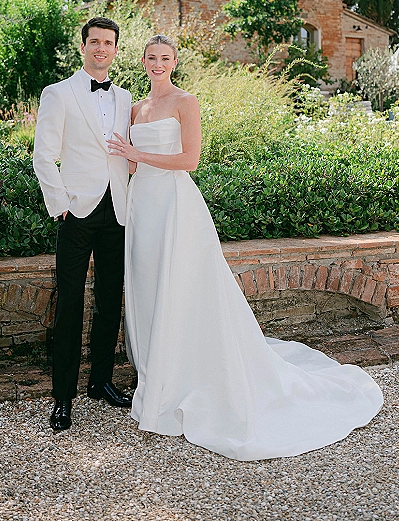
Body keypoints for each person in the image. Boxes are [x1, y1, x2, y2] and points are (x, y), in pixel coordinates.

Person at [107, 35, 383, 461]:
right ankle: (154, 376)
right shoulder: (134, 109)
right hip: (143, 207)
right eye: (152, 57)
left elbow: (190, 160)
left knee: (181, 288)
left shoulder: (186, 102)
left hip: (175, 205)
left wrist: (137, 154)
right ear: (142, 61)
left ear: (175, 62)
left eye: (165, 58)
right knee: (147, 288)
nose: (158, 63)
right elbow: (127, 163)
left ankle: (183, 378)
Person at [33, 17, 133, 433]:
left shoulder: (126, 97)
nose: (101, 48)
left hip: (118, 211)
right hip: (76, 212)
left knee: (110, 299)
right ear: (83, 47)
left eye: (108, 42)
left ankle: (101, 382)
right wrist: (61, 205)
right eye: (94, 42)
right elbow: (43, 155)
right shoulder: (58, 93)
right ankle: (63, 397)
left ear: (115, 49)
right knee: (70, 303)